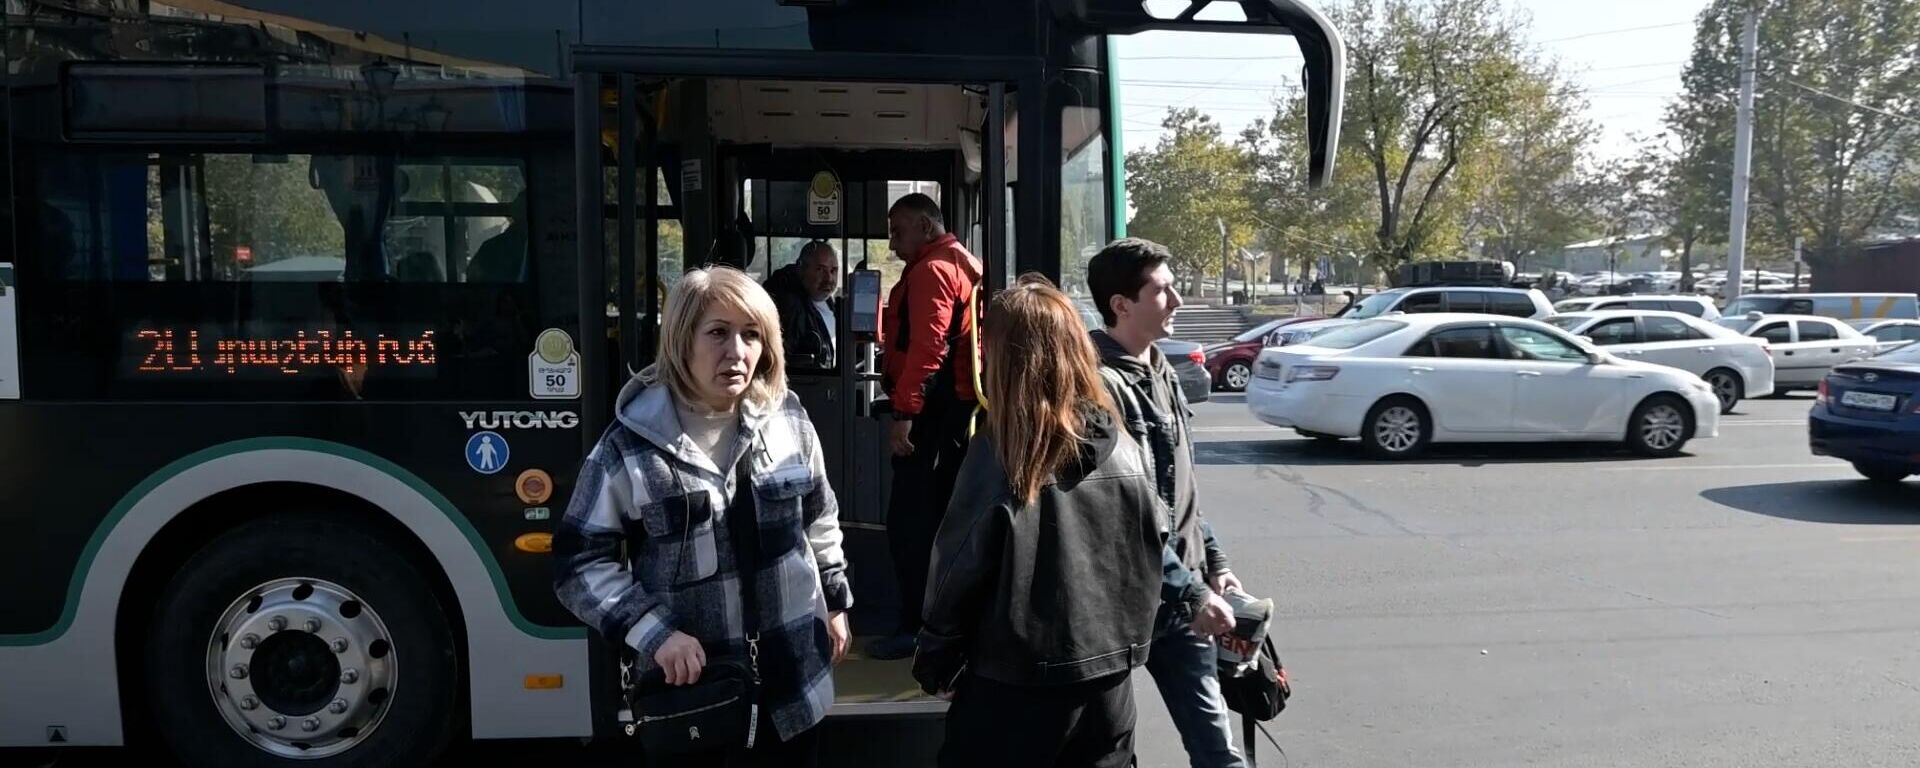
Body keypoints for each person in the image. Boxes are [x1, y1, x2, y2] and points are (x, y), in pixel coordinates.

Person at [552, 266, 853, 767]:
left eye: (751, 334)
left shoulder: (790, 421)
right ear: (681, 339)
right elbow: (578, 564)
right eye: (718, 332)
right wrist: (655, 633)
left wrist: (836, 601)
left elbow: (819, 519)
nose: (737, 351)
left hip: (794, 690)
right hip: (694, 704)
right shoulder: (631, 447)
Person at [914, 275, 1166, 768]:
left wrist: (936, 659)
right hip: (1111, 686)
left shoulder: (1001, 452)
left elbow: (958, 567)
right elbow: (1156, 546)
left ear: (1005, 358)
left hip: (1014, 688)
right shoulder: (1123, 444)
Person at [1087, 238, 1250, 768]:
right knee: (1102, 744)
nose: (1177, 299)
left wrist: (1215, 564)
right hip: (1124, 604)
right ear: (1121, 305)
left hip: (1182, 597)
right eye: (1163, 290)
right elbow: (1129, 513)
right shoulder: (1100, 386)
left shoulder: (1159, 367)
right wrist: (1192, 588)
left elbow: (1180, 489)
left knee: (1216, 746)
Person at [868, 192, 983, 661]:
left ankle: (915, 625)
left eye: (898, 231)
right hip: (952, 412)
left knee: (910, 523)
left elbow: (928, 349)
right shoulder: (961, 262)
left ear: (925, 225)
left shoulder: (934, 270)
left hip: (934, 415)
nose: (892, 244)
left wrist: (905, 414)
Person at [764, 240, 840, 370]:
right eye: (820, 269)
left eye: (833, 270)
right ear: (801, 269)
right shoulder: (787, 306)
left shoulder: (830, 302)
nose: (829, 279)